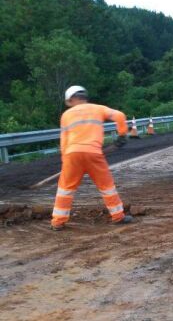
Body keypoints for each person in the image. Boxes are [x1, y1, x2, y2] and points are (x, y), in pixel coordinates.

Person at [51, 85, 134, 230]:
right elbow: (120, 116)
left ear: (71, 99)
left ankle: (58, 222)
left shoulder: (66, 115)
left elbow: (63, 140)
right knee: (107, 187)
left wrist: (66, 161)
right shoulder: (98, 109)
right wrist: (122, 135)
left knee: (65, 189)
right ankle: (118, 216)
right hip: (94, 153)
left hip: (72, 154)